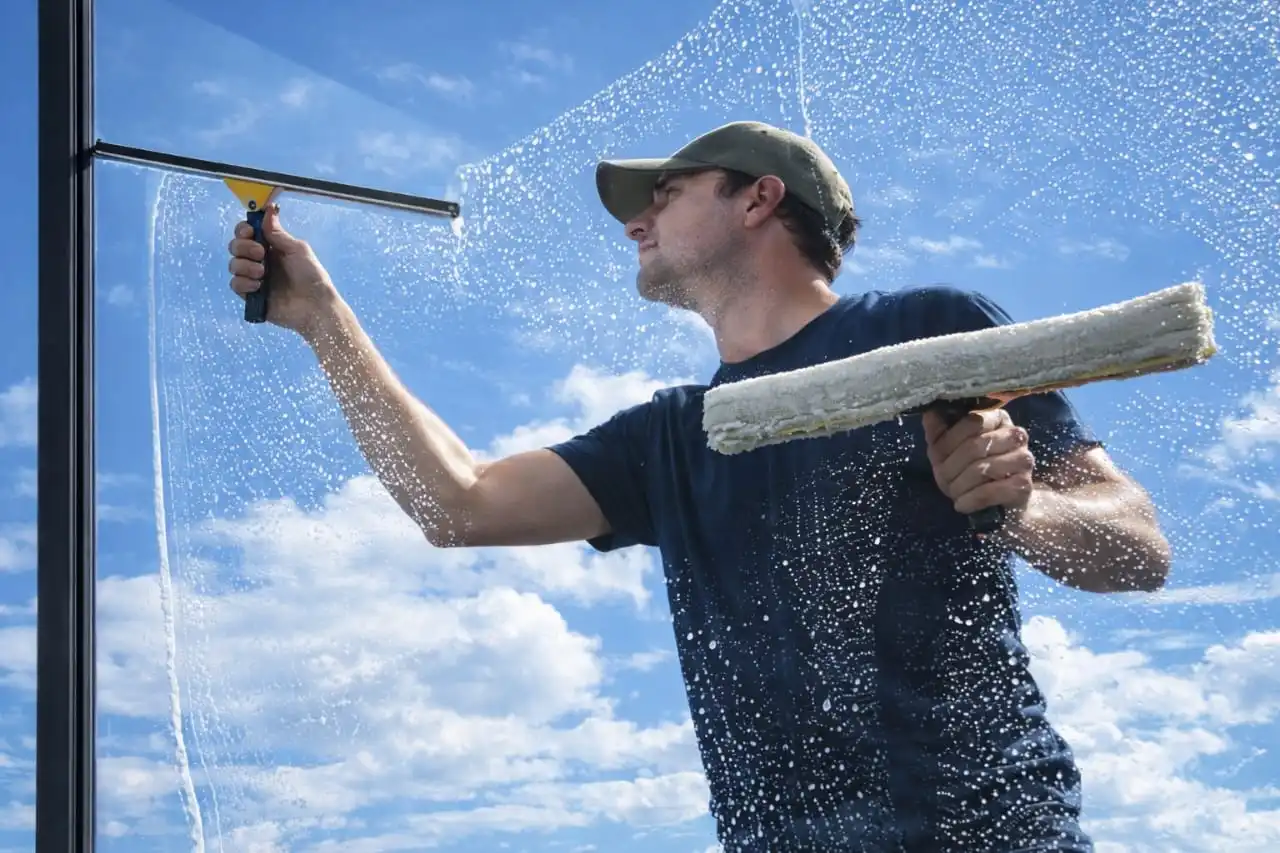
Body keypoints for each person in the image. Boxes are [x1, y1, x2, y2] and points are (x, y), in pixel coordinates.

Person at [226, 120, 1171, 852]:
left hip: (986, 834)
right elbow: (456, 502)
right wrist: (320, 317)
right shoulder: (675, 436)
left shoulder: (932, 328)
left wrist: (1023, 505)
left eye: (666, 194)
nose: (636, 220)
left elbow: (1139, 549)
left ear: (760, 198)